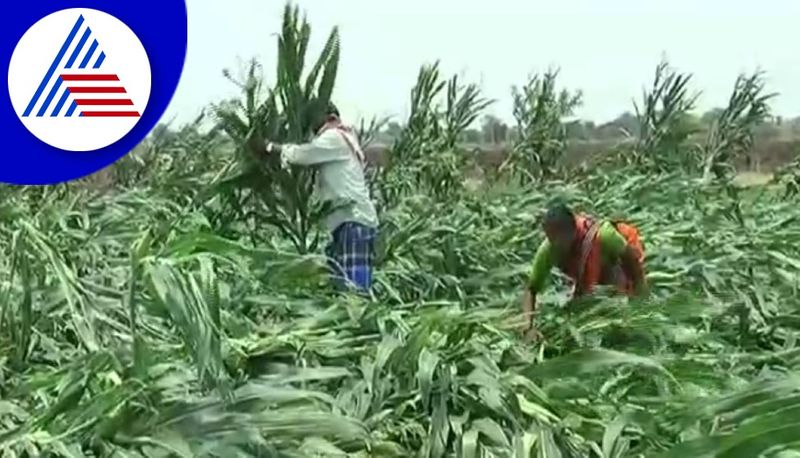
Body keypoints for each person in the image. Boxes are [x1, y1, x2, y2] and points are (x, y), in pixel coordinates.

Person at [249, 102, 379, 293]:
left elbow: (303, 154)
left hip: (353, 220)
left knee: (355, 290)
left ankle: (360, 321)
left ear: (324, 117)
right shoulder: (345, 137)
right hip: (350, 221)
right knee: (343, 284)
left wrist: (269, 146)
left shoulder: (334, 137)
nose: (310, 126)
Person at [520, 203, 647, 341]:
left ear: (572, 231)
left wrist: (640, 292)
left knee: (616, 313)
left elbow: (630, 259)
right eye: (550, 237)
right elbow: (531, 289)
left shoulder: (603, 235)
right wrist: (528, 326)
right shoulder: (549, 249)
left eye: (559, 238)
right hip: (588, 277)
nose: (554, 244)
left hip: (613, 267)